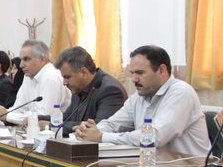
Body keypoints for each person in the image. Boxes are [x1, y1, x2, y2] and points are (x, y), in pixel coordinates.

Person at [74, 45, 210, 155]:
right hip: (154, 166)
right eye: (132, 73)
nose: (134, 79)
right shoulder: (140, 95)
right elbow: (113, 124)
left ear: (161, 70)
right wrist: (88, 130)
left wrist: (101, 137)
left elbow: (153, 137)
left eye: (140, 73)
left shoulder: (181, 92)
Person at [0, 40, 70, 124]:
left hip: (57, 130)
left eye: (26, 59)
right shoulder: (28, 76)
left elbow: (43, 117)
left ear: (42, 59)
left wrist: (7, 115)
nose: (21, 65)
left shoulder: (52, 76)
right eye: (21, 59)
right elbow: (18, 109)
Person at [51, 46, 126, 136]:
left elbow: (97, 129)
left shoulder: (110, 90)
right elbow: (64, 119)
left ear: (83, 72)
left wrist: (56, 125)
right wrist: (39, 119)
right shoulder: (78, 88)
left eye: (67, 77)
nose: (64, 83)